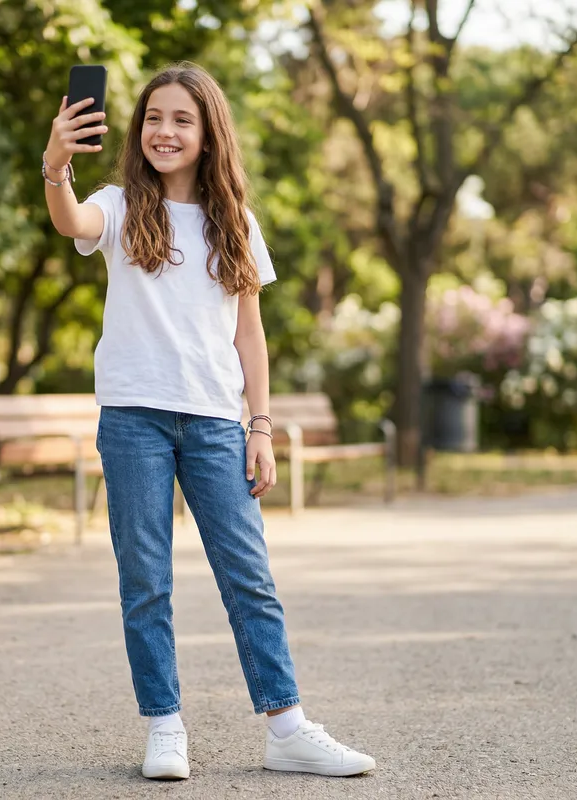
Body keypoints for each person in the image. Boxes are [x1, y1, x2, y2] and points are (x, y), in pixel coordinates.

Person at [43, 61, 376, 782]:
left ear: (207, 134)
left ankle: (286, 728)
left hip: (218, 423)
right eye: (153, 118)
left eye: (181, 120)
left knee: (248, 576)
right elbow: (71, 221)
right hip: (134, 418)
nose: (164, 131)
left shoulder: (236, 224)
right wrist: (56, 166)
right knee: (147, 579)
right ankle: (165, 728)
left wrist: (261, 425)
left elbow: (249, 333)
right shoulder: (120, 205)